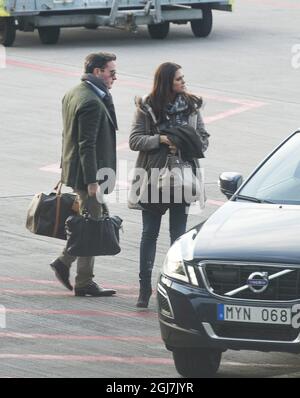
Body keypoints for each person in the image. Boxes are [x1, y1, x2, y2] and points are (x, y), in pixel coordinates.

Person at [129, 62, 209, 308]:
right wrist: (161, 139)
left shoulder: (192, 106)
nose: (183, 82)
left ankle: (177, 288)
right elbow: (134, 140)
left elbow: (204, 140)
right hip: (153, 177)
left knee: (179, 236)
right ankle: (144, 288)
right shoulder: (147, 107)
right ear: (166, 82)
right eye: (178, 79)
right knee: (149, 234)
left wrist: (185, 144)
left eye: (183, 78)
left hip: (183, 177)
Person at [50, 52, 118, 297]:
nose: (115, 77)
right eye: (112, 72)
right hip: (88, 176)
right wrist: (92, 181)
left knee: (90, 223)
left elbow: (67, 135)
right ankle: (82, 279)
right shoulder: (90, 101)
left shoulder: (73, 92)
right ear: (97, 72)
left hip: (75, 169)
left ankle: (68, 266)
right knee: (92, 226)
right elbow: (85, 144)